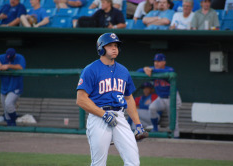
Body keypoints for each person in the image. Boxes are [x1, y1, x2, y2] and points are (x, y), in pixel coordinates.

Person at [76, 32, 146, 165]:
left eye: (116, 45)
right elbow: (81, 99)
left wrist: (138, 124)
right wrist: (103, 115)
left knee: (133, 161)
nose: (114, 48)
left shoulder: (123, 71)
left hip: (119, 116)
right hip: (98, 117)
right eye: (110, 45)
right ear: (101, 48)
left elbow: (129, 98)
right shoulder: (91, 69)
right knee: (99, 163)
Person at [137, 53, 182, 137]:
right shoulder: (152, 70)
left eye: (158, 61)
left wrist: (151, 70)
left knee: (173, 122)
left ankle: (176, 139)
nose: (156, 63)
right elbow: (138, 71)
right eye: (155, 61)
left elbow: (170, 72)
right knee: (152, 108)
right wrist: (145, 68)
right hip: (161, 98)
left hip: (173, 98)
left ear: (164, 62)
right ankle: (155, 127)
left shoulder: (169, 69)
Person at [0, 48, 26, 126]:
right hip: (4, 86)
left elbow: (21, 67)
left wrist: (8, 66)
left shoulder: (20, 57)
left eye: (11, 58)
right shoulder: (1, 57)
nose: (8, 59)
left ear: (14, 56)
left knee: (8, 103)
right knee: (6, 110)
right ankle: (11, 126)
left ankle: (13, 122)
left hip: (16, 86)